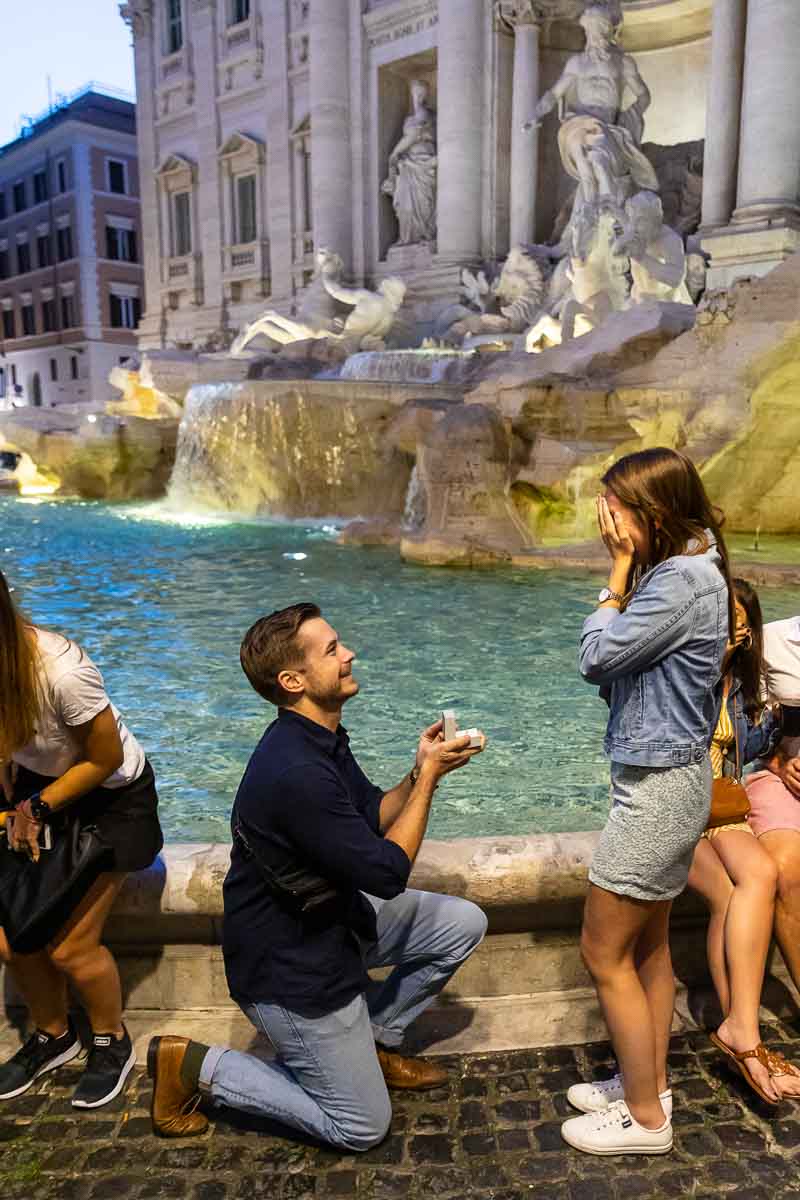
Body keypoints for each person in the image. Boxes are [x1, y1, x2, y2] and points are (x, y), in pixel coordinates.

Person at [147, 603, 487, 1149]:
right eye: (332, 650)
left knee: (461, 923)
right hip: (290, 969)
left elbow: (374, 812)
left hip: (331, 923)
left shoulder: (316, 738)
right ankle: (193, 1066)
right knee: (361, 1126)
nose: (349, 653)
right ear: (293, 680)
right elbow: (387, 871)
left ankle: (376, 1040)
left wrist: (418, 769)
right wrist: (427, 786)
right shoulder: (296, 772)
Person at [562, 448, 732, 1156]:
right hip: (665, 780)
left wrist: (615, 575)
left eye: (614, 508)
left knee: (602, 952)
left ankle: (645, 1121)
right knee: (652, 947)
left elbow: (595, 658)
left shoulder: (678, 581)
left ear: (650, 516)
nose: (606, 521)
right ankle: (647, 1081)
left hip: (659, 791)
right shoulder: (696, 562)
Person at [0, 569, 163, 1108]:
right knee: (11, 939)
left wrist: (34, 808)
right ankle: (54, 1035)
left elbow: (106, 758)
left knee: (71, 946)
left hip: (112, 799)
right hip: (36, 790)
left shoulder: (62, 671)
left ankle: (109, 1039)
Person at [687, 579, 800, 1103]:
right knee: (747, 881)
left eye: (742, 627)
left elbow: (755, 749)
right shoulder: (684, 674)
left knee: (751, 882)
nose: (735, 635)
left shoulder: (747, 685)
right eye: (726, 624)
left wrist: (778, 753)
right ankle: (744, 1039)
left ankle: (741, 1033)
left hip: (721, 807)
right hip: (676, 807)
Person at [745, 614, 800, 996]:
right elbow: (748, 725)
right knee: (783, 868)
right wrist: (782, 763)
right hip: (784, 780)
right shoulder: (771, 641)